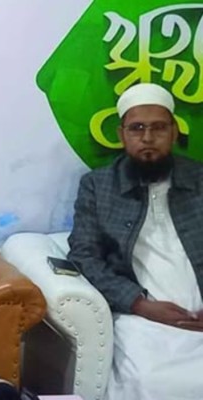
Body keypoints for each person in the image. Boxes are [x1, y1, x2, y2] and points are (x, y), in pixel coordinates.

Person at [68, 83, 203, 400]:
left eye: (158, 128)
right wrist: (139, 304)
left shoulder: (199, 179)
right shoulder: (98, 186)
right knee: (152, 382)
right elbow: (84, 256)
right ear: (121, 134)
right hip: (142, 317)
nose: (147, 138)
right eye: (137, 128)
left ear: (174, 132)